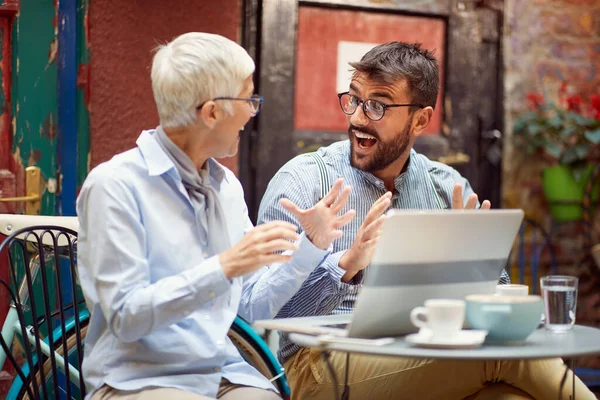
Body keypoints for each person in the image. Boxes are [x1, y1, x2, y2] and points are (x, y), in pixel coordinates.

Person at [257, 42, 595, 399]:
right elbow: (264, 310)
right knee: (508, 358)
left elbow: (490, 303)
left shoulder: (447, 187)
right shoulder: (303, 182)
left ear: (420, 119)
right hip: (319, 364)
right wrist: (344, 267)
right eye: (354, 99)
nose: (357, 117)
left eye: (377, 106)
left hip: (423, 348)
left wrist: (474, 267)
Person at [76, 32, 356, 400]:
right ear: (211, 112)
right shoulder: (114, 186)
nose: (253, 112)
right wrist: (224, 266)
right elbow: (126, 317)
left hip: (222, 372)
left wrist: (311, 247)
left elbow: (252, 306)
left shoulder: (227, 188)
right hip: (137, 379)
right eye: (249, 98)